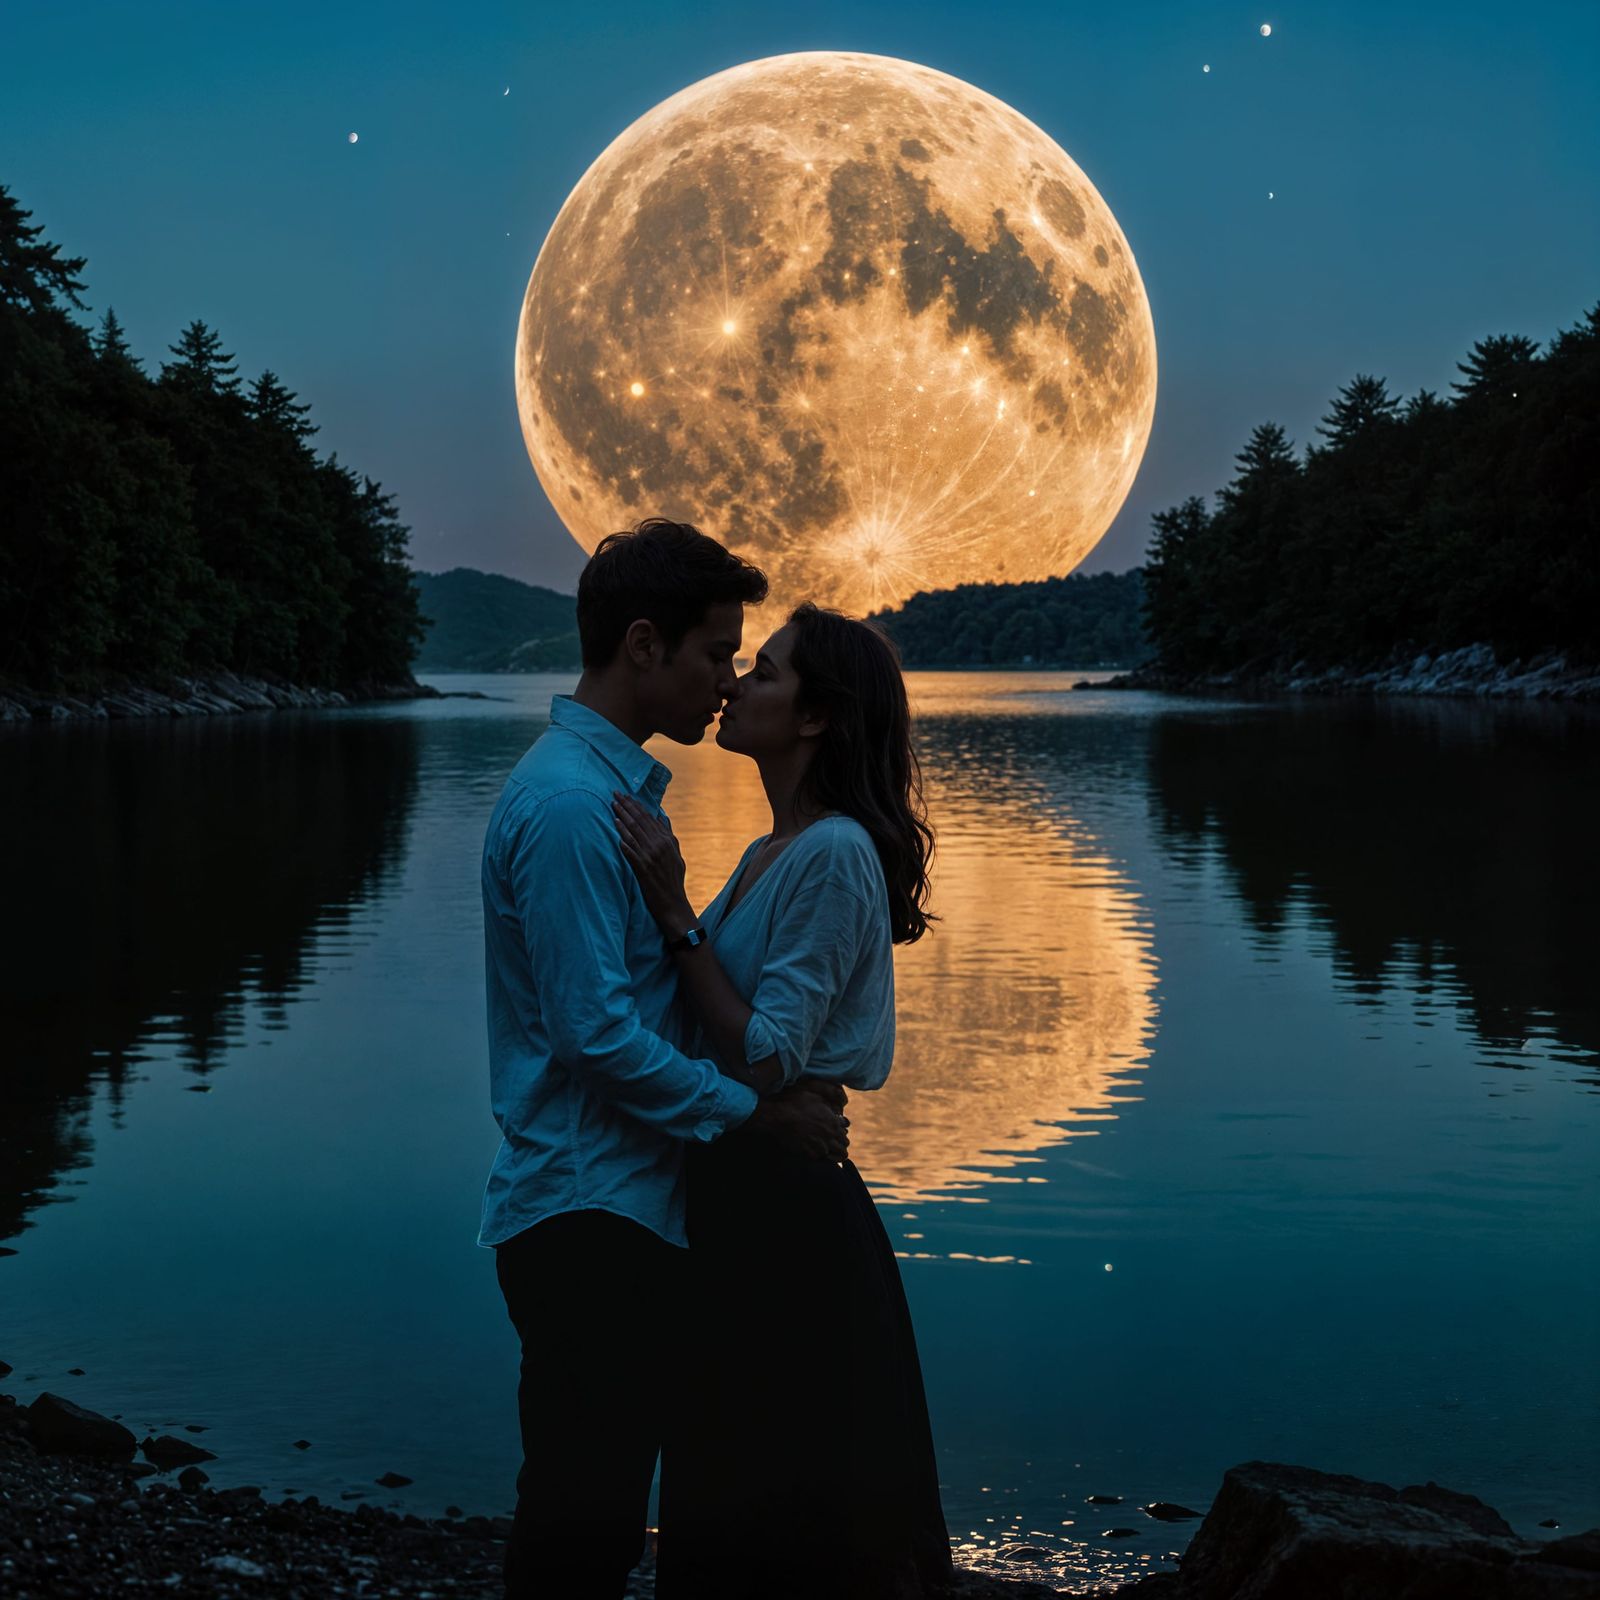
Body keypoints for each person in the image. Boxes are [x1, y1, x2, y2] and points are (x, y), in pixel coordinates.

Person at [479, 520, 851, 1600]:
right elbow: (596, 1038)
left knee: (594, 1510)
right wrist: (756, 1113)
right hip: (588, 1210)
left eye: (740, 659)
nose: (726, 683)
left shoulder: (612, 802)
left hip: (625, 1203)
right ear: (644, 647)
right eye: (714, 654)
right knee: (580, 1520)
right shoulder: (568, 810)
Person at [612, 602, 955, 1600]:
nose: (735, 686)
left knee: (798, 1493)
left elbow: (765, 1056)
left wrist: (674, 909)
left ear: (815, 717)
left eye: (763, 672)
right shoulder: (774, 850)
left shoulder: (835, 852)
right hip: (741, 1191)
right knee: (733, 1467)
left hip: (790, 1214)